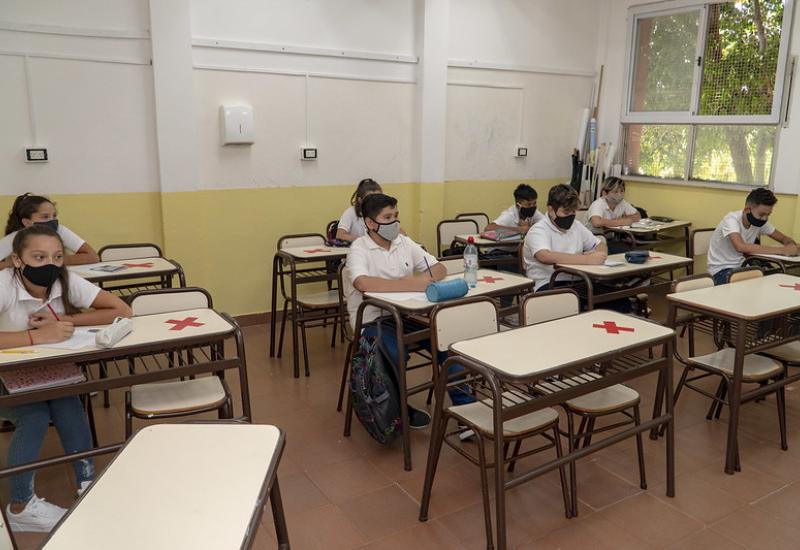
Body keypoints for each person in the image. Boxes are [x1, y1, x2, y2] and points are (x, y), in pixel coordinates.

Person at [0, 225, 131, 532]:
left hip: (45, 372)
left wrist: (64, 320)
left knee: (68, 403)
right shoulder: (4, 284)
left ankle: (88, 484)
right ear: (18, 260)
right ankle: (20, 506)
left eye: (58, 256)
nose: (50, 264)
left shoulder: (65, 280)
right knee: (33, 414)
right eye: (39, 256)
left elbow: (121, 310)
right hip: (4, 376)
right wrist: (34, 337)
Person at [347, 194, 475, 428]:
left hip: (407, 315)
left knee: (449, 343)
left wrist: (423, 279)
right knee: (393, 353)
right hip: (373, 321)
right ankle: (397, 409)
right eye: (387, 217)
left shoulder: (404, 243)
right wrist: (416, 283)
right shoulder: (359, 248)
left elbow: (438, 267)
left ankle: (465, 410)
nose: (394, 222)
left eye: (396, 216)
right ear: (370, 223)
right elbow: (363, 283)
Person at [707, 188, 798, 285]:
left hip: (743, 266)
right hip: (720, 271)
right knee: (759, 284)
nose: (765, 218)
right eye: (762, 214)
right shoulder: (731, 220)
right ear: (747, 210)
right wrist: (783, 251)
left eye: (768, 215)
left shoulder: (760, 222)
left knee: (775, 277)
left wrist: (791, 245)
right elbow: (741, 247)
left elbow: (783, 238)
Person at [1, 193, 99, 269]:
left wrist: (54, 260)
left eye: (54, 216)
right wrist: (13, 263)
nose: (52, 220)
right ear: (27, 222)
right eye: (45, 217)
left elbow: (93, 257)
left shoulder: (60, 230)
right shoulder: (16, 237)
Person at [585, 177, 642, 253]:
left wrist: (608, 222)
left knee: (632, 248)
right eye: (615, 192)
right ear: (605, 193)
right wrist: (623, 221)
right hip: (593, 240)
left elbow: (637, 216)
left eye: (622, 191)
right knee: (626, 250)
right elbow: (596, 222)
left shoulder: (622, 203)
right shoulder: (598, 204)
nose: (619, 194)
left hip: (610, 239)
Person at [335, 178, 383, 243]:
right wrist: (367, 240)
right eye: (369, 199)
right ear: (360, 200)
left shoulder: (384, 212)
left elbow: (399, 233)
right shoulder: (351, 212)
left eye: (378, 198)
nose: (374, 203)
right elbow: (340, 235)